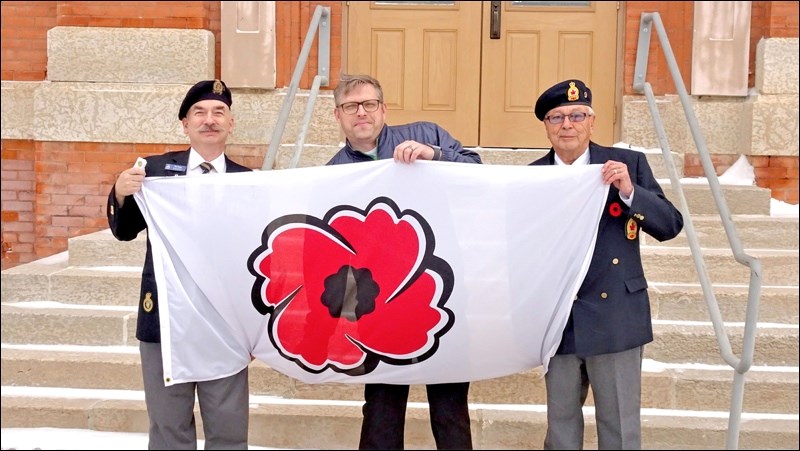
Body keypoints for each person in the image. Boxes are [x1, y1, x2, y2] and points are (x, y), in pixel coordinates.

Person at [327, 73, 481, 450]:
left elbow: (479, 170)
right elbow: (334, 251)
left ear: (384, 109)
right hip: (377, 301)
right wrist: (345, 314)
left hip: (439, 288)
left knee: (449, 408)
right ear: (338, 116)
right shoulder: (332, 173)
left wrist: (436, 157)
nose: (361, 113)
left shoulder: (426, 135)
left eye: (369, 104)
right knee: (381, 409)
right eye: (351, 106)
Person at [529, 79, 684, 449]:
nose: (567, 124)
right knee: (561, 427)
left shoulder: (627, 164)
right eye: (557, 117)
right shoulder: (531, 177)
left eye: (577, 115)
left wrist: (630, 192)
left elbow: (670, 225)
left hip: (616, 313)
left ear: (592, 121)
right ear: (547, 126)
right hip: (559, 319)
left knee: (619, 427)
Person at [107, 79, 252, 449]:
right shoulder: (154, 171)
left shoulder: (249, 183)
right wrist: (121, 194)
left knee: (228, 430)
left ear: (231, 123)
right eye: (199, 113)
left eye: (219, 112)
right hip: (166, 322)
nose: (209, 120)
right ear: (185, 124)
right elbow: (125, 231)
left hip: (224, 324)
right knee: (169, 428)